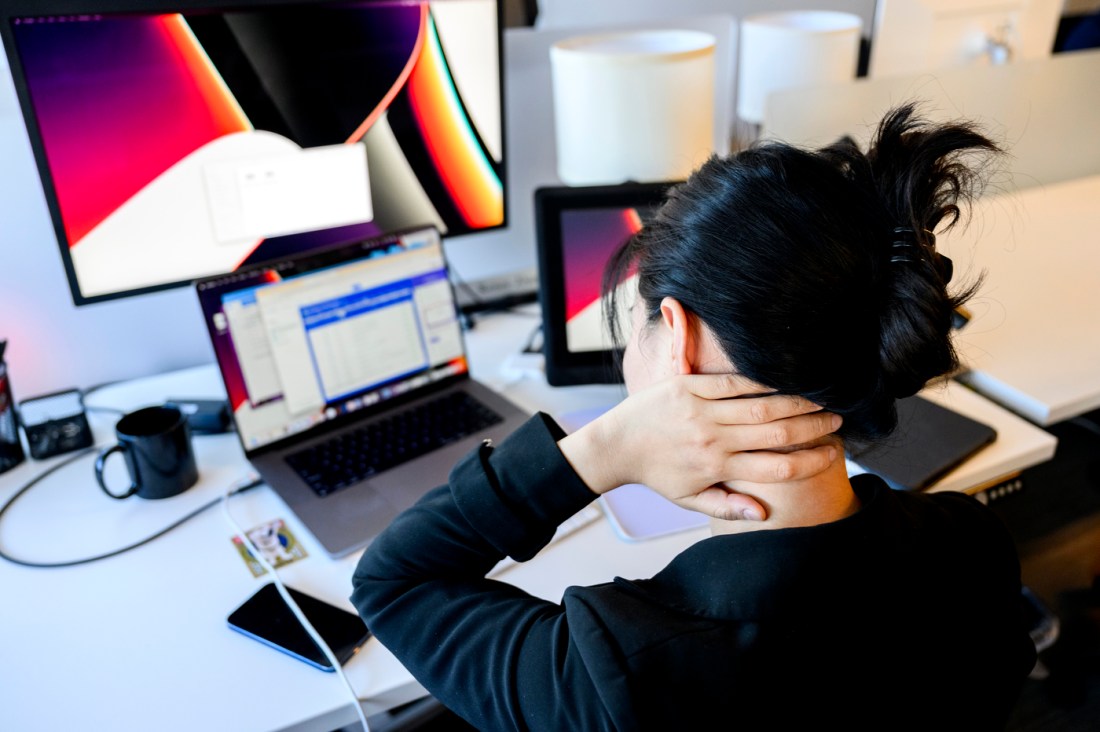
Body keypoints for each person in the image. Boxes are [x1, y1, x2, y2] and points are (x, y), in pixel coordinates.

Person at [351, 104, 1036, 730]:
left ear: (676, 335)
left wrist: (599, 452)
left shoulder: (618, 674)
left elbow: (394, 581)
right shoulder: (972, 545)